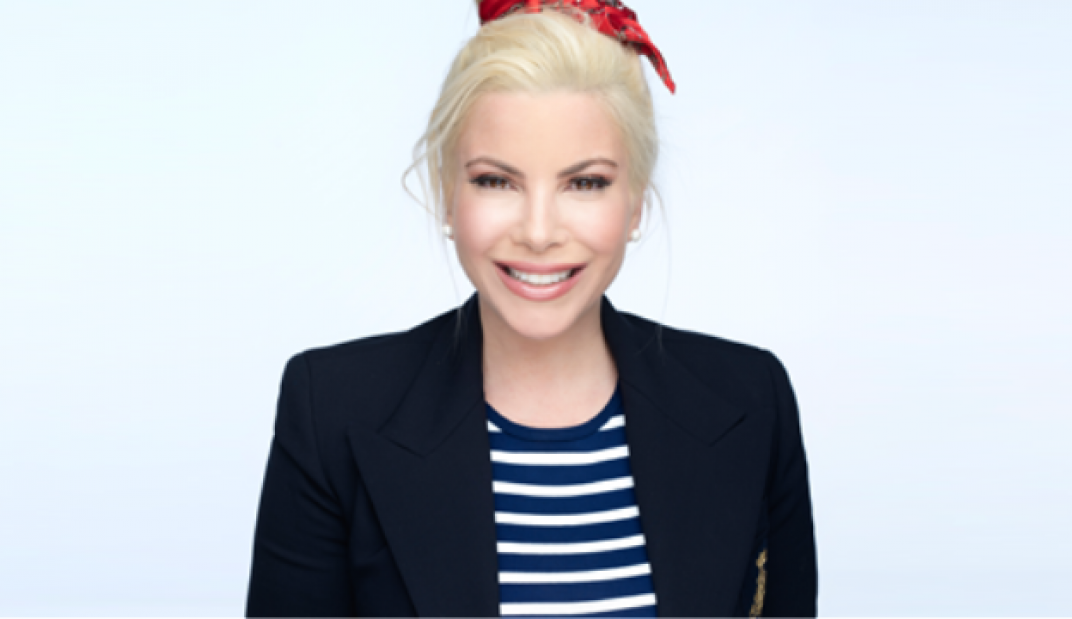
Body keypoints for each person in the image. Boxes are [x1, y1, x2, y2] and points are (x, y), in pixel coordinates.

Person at [245, 1, 817, 616]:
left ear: (635, 205)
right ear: (447, 194)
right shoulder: (331, 411)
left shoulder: (751, 401)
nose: (539, 232)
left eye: (585, 183)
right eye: (496, 181)